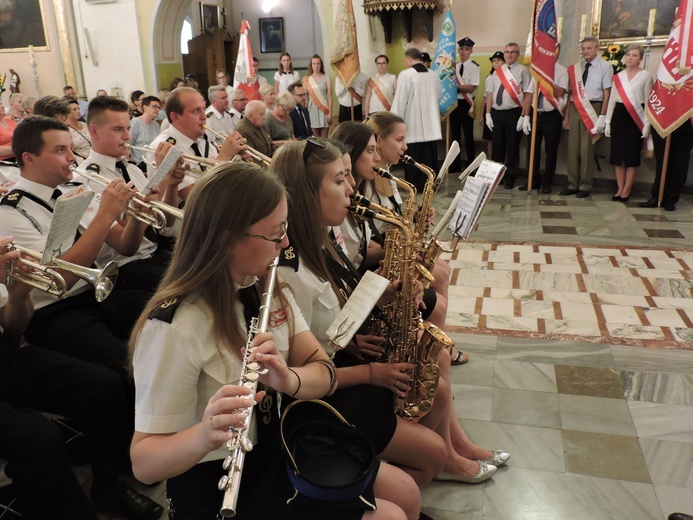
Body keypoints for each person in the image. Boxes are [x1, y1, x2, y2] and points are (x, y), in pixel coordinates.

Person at [129, 162, 419, 520]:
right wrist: (205, 434)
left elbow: (322, 370)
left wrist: (288, 380)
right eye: (275, 232)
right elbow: (144, 463)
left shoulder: (264, 285)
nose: (285, 242)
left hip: (276, 448)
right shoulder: (173, 328)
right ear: (226, 237)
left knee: (406, 491)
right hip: (214, 483)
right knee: (390, 516)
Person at [0, 235, 164, 520]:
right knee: (38, 437)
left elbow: (14, 325)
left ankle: (108, 486)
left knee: (101, 384)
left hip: (6, 356)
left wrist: (18, 295)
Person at [0, 115, 145, 376]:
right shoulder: (10, 212)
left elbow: (125, 246)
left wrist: (135, 215)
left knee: (165, 312)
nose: (72, 157)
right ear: (29, 158)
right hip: (54, 312)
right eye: (60, 150)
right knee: (126, 366)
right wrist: (105, 215)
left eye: (70, 148)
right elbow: (61, 278)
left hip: (96, 295)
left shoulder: (70, 192)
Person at [75, 97, 181, 294]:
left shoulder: (131, 169)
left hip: (155, 255)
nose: (127, 137)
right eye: (118, 130)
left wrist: (172, 184)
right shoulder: (86, 179)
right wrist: (163, 177)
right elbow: (126, 245)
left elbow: (164, 223)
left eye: (127, 128)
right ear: (94, 131)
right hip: (127, 270)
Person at [150, 87, 247, 200]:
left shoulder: (202, 142)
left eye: (203, 109)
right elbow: (191, 195)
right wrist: (223, 157)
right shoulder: (163, 147)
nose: (204, 116)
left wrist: (235, 159)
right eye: (196, 111)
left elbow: (222, 183)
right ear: (175, 117)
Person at [561, 36, 613, 198]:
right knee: (573, 149)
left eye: (589, 48)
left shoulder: (605, 66)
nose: (585, 51)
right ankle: (572, 183)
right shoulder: (576, 68)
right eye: (583, 48)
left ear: (597, 48)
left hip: (594, 108)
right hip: (576, 108)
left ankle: (585, 184)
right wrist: (567, 117)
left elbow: (607, 94)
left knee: (587, 149)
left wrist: (602, 116)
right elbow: (571, 95)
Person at [604, 45, 653, 202]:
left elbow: (648, 101)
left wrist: (647, 123)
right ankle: (619, 188)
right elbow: (612, 99)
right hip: (619, 116)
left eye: (634, 55)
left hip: (635, 118)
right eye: (628, 54)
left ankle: (627, 189)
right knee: (618, 156)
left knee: (631, 156)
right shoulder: (618, 76)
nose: (630, 57)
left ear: (640, 58)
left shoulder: (646, 76)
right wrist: (607, 122)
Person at [391, 48, 442, 191]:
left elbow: (400, 100)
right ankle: (430, 185)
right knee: (429, 156)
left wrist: (393, 122)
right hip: (431, 125)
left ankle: (415, 185)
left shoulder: (406, 75)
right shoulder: (432, 75)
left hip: (413, 124)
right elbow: (438, 95)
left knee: (414, 155)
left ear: (408, 59)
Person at [519, 53, 568, 194]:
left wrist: (547, 78)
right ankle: (532, 180)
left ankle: (547, 182)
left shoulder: (561, 70)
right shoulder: (537, 70)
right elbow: (529, 94)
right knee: (532, 148)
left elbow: (559, 92)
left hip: (552, 115)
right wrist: (525, 116)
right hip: (536, 114)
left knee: (551, 150)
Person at [485, 42, 532, 190]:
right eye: (507, 52)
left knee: (512, 147)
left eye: (513, 52)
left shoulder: (523, 71)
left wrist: (524, 116)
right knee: (498, 146)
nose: (509, 55)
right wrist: (487, 114)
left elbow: (527, 95)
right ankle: (497, 177)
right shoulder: (497, 71)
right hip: (497, 114)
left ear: (518, 55)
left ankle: (510, 177)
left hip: (514, 113)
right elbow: (491, 94)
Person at [639, 119, 693, 212]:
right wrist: (648, 122)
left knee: (679, 163)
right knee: (662, 162)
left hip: (685, 124)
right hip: (662, 121)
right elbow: (651, 103)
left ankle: (671, 198)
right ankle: (658, 195)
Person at [450, 37, 480, 171]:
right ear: (458, 50)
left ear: (471, 51)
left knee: (468, 135)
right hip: (454, 103)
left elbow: (471, 88)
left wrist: (457, 87)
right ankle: (455, 165)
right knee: (454, 136)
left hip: (467, 104)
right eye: (461, 49)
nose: (463, 52)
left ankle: (470, 165)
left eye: (466, 49)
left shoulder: (474, 67)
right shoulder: (453, 67)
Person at [479, 51, 505, 158]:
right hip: (490, 111)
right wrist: (482, 115)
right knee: (490, 139)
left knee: (502, 139)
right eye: (494, 61)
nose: (496, 63)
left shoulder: (509, 78)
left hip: (502, 110)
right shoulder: (489, 78)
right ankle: (490, 160)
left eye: (499, 60)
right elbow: (484, 98)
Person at [130, 95, 163, 171]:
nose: (157, 110)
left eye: (159, 108)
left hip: (153, 161)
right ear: (145, 108)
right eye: (154, 106)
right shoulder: (135, 122)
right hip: (141, 163)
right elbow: (128, 144)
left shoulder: (156, 125)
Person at [303, 54, 332, 137]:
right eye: (314, 64)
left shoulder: (327, 78)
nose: (316, 66)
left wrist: (330, 113)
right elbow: (306, 98)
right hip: (312, 109)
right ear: (311, 65)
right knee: (315, 139)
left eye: (318, 63)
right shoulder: (307, 79)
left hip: (324, 109)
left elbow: (329, 96)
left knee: (324, 140)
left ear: (321, 65)